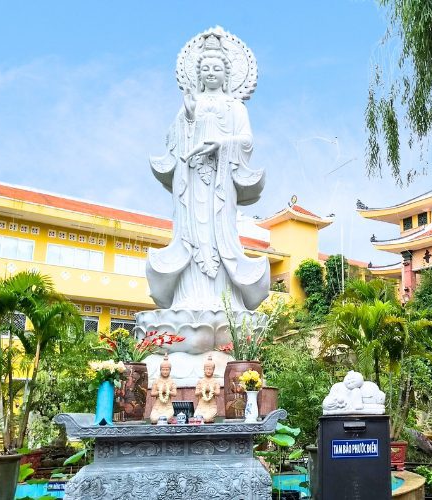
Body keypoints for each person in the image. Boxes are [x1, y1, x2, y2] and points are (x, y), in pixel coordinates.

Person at [147, 32, 269, 313]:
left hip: (220, 182)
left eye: (217, 68)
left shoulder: (235, 107)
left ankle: (224, 302)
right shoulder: (190, 105)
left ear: (227, 74)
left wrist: (222, 145)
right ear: (198, 74)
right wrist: (188, 117)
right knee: (191, 235)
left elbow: (247, 141)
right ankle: (187, 300)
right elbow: (172, 141)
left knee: (219, 234)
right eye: (205, 69)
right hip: (190, 184)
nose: (211, 73)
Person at [150, 354, 177, 424]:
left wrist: (167, 391)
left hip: (168, 407)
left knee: (165, 419)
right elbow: (152, 393)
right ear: (160, 370)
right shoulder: (156, 381)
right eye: (163, 370)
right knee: (154, 419)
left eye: (167, 370)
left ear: (170, 370)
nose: (165, 372)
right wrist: (161, 391)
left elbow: (175, 393)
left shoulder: (171, 381)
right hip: (157, 407)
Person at [194, 355, 220, 423]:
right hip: (201, 406)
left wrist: (211, 390)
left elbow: (218, 393)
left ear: (213, 370)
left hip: (211, 406)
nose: (208, 371)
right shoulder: (200, 381)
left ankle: (210, 418)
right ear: (204, 369)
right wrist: (203, 391)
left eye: (210, 369)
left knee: (207, 418)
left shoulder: (215, 381)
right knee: (197, 417)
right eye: (207, 369)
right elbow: (196, 393)